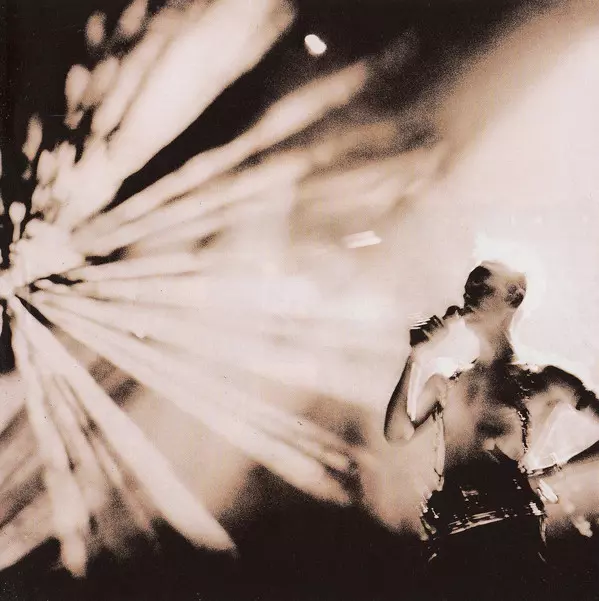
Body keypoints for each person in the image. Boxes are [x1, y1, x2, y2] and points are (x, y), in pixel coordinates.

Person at [384, 261, 599, 601]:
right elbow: (397, 434)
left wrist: (554, 473)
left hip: (510, 542)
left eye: (482, 288)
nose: (468, 297)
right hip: (449, 542)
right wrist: (417, 355)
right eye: (467, 290)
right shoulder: (447, 379)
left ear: (514, 297)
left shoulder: (545, 379)